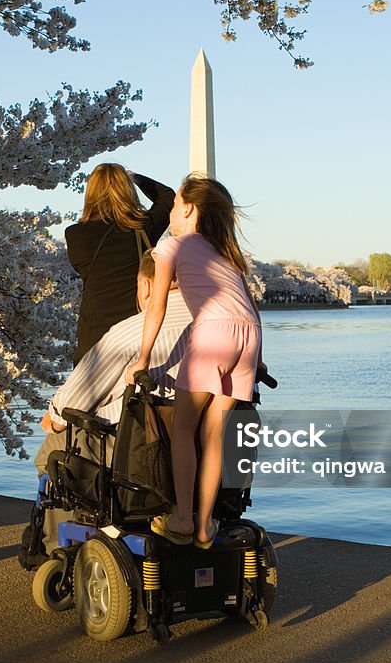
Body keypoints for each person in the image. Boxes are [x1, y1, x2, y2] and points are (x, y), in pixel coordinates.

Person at [125, 175, 265, 549]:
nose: (170, 210)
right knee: (215, 434)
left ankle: (182, 517)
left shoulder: (172, 246)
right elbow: (251, 309)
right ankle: (205, 524)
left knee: (183, 428)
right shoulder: (227, 252)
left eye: (174, 204)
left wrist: (142, 360)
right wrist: (260, 361)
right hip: (249, 336)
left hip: (213, 333)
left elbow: (156, 307)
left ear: (187, 208)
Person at [35, 250, 192, 554]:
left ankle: (59, 552)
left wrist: (54, 417)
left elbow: (71, 405)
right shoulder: (225, 329)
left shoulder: (130, 332)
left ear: (147, 286)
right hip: (206, 451)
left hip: (141, 458)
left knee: (53, 451)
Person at [65, 164, 173, 365]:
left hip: (94, 340)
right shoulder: (143, 228)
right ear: (127, 191)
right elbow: (168, 197)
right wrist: (135, 177)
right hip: (135, 333)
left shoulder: (75, 235)